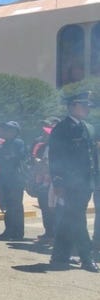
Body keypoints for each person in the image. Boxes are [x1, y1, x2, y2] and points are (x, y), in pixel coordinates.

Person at [48, 92, 99, 272]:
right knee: (78, 218)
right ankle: (87, 258)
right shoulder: (61, 129)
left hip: (87, 182)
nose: (86, 108)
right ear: (71, 106)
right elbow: (55, 157)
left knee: (70, 217)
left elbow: (93, 157)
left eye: (87, 105)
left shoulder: (89, 128)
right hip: (70, 184)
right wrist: (58, 183)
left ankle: (59, 255)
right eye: (81, 104)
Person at [0, 121, 27, 240]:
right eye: (6, 130)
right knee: (7, 205)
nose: (6, 132)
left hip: (16, 178)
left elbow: (21, 155)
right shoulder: (3, 143)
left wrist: (8, 156)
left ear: (15, 132)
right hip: (4, 177)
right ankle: (9, 230)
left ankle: (18, 232)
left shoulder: (18, 142)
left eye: (9, 130)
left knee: (16, 205)